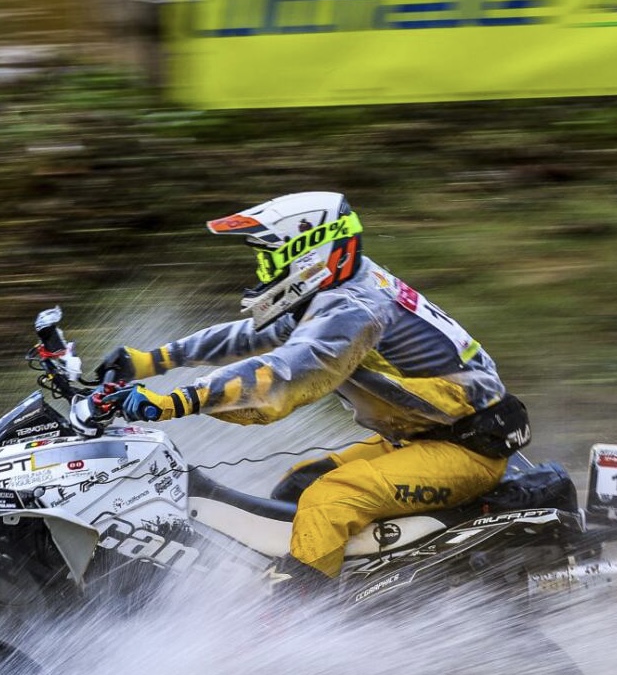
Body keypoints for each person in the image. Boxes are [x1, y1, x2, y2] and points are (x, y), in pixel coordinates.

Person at [98, 191, 529, 592]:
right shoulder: (337, 290)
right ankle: (318, 577)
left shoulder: (354, 308)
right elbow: (250, 336)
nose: (263, 273)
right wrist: (149, 361)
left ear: (310, 252)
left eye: (270, 261)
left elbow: (281, 375)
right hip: (425, 438)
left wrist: (172, 402)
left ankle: (295, 616)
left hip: (464, 451)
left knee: (330, 499)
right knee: (298, 486)